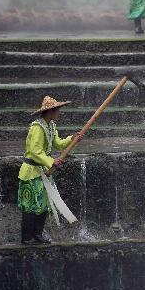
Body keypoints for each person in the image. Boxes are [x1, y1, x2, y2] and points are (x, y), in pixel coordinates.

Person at [18, 96, 83, 245]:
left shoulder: (51, 126)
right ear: (51, 111)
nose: (59, 113)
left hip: (44, 170)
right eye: (57, 110)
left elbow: (59, 144)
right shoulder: (37, 127)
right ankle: (27, 237)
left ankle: (37, 235)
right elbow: (35, 151)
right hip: (31, 171)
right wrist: (51, 161)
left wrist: (72, 139)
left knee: (44, 204)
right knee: (30, 204)